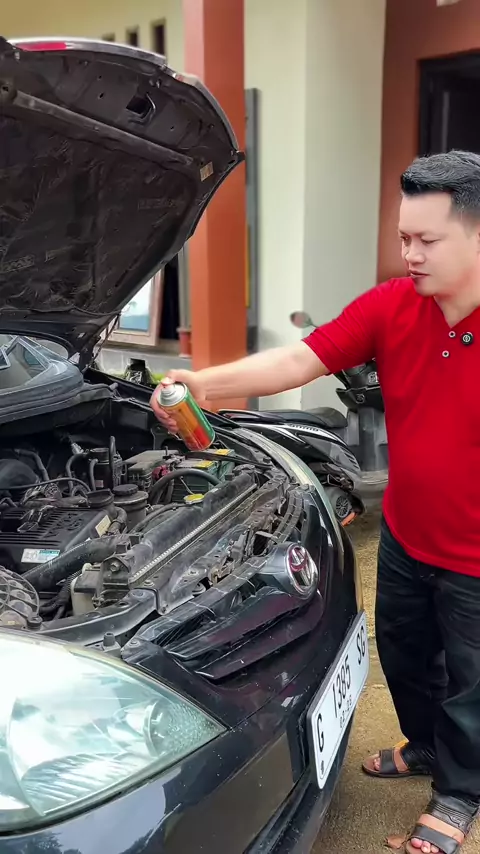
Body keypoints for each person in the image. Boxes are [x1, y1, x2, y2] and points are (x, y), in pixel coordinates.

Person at [151, 149, 480, 854]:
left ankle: (459, 792)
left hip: (477, 559)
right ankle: (426, 746)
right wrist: (206, 383)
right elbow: (302, 359)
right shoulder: (393, 305)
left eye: (427, 240)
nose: (409, 254)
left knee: (472, 685)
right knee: (406, 657)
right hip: (407, 535)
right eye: (404, 237)